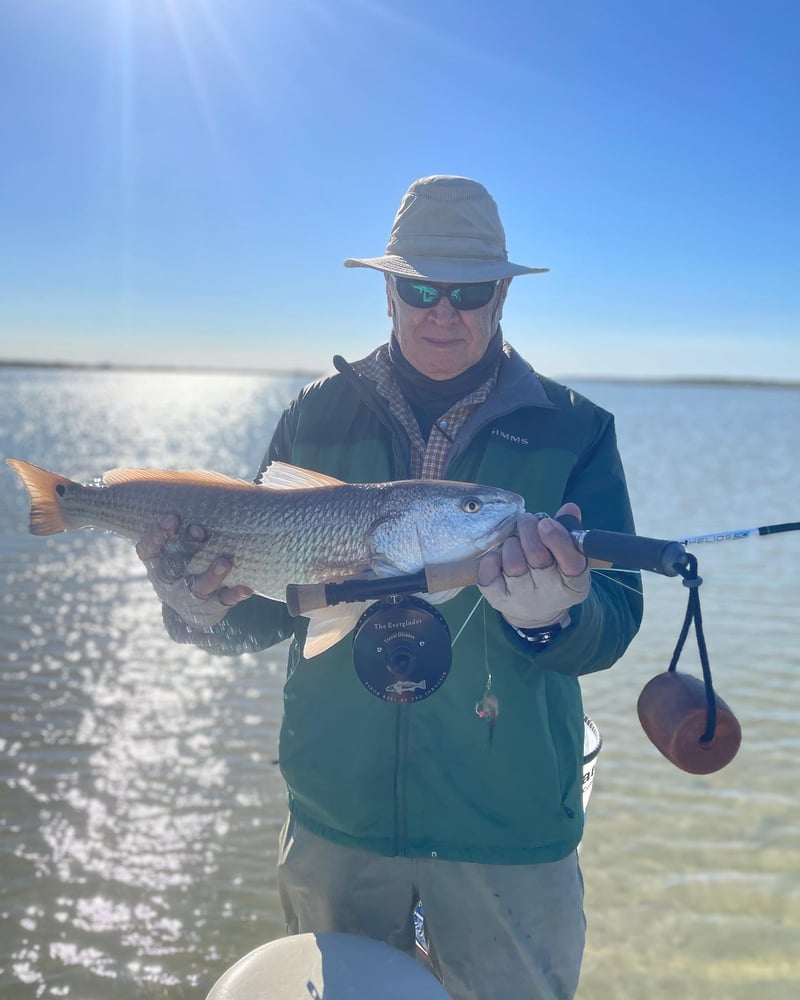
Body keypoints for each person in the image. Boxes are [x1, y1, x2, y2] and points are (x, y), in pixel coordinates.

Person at [135, 175, 643, 1000]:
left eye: (469, 290)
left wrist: (557, 620)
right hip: (336, 818)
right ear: (388, 292)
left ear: (502, 295)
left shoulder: (575, 427)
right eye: (419, 287)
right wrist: (193, 610)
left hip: (507, 827)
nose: (443, 311)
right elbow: (260, 613)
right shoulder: (315, 413)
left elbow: (617, 618)